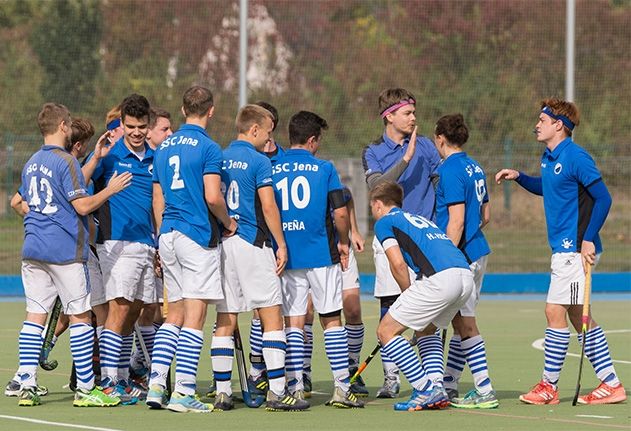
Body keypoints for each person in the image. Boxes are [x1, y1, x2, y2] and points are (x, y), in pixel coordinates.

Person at [496, 98, 626, 405]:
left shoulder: (576, 156)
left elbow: (603, 199)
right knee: (579, 315)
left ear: (559, 125)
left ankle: (549, 387)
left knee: (553, 311)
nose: (537, 124)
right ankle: (611, 383)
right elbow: (549, 186)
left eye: (542, 120)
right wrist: (520, 178)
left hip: (574, 248)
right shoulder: (548, 157)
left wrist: (590, 238)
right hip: (562, 248)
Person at [8, 103, 130, 407]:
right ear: (63, 126)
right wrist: (110, 189)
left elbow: (21, 202)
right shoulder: (67, 161)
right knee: (80, 316)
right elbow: (83, 206)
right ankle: (87, 389)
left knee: (34, 316)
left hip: (33, 249)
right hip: (63, 251)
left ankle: (26, 382)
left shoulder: (32, 161)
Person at [210, 104, 309, 412]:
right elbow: (268, 207)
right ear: (254, 129)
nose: (269, 139)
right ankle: (277, 391)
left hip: (224, 245)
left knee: (225, 321)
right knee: (271, 317)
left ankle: (222, 392)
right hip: (253, 242)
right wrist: (281, 243)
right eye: (267, 132)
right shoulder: (259, 160)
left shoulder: (218, 157)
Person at [147, 85, 235, 413]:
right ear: (210, 111)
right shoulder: (209, 148)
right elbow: (213, 196)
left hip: (167, 234)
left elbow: (158, 199)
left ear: (183, 111)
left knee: (176, 315)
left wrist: (161, 236)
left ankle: (157, 385)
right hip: (196, 235)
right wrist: (228, 222)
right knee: (195, 316)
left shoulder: (164, 146)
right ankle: (183, 391)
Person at [272, 110, 363, 408]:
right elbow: (339, 211)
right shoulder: (324, 169)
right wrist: (344, 241)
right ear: (312, 140)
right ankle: (341, 388)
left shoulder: (273, 168)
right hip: (321, 253)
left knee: (294, 321)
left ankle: (295, 387)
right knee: (330, 318)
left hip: (286, 254)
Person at [361, 88, 441, 397]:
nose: (413, 118)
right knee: (390, 304)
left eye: (414, 113)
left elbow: (440, 185)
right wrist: (406, 159)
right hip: (390, 237)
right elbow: (376, 187)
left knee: (429, 311)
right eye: (407, 113)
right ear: (389, 116)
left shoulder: (427, 147)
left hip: (424, 239)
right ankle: (391, 378)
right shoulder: (374, 151)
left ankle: (432, 381)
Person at [371, 181, 474, 411]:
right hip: (464, 276)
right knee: (427, 329)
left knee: (386, 331)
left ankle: (425, 388)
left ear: (378, 204)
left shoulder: (384, 222)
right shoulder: (419, 219)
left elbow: (397, 264)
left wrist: (406, 297)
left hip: (441, 279)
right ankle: (437, 386)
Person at [88, 94, 157, 404]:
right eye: (131, 126)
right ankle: (108, 382)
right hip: (116, 242)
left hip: (147, 244)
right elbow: (81, 187)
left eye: (142, 126)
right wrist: (96, 158)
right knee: (118, 309)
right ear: (123, 125)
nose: (136, 132)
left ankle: (124, 378)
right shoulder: (110, 156)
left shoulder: (156, 158)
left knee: (135, 311)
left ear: (149, 125)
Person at [432, 114, 498, 409]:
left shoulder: (450, 169)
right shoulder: (475, 166)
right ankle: (449, 385)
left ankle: (484, 388)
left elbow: (456, 221)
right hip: (478, 251)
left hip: (462, 255)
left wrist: (447, 255)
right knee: (460, 322)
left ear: (440, 139)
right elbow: (485, 216)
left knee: (466, 323)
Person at [302, 185, 368, 398]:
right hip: (316, 253)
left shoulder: (332, 184)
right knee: (306, 312)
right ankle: (303, 372)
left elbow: (347, 198)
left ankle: (352, 368)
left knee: (353, 310)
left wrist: (354, 231)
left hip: (343, 250)